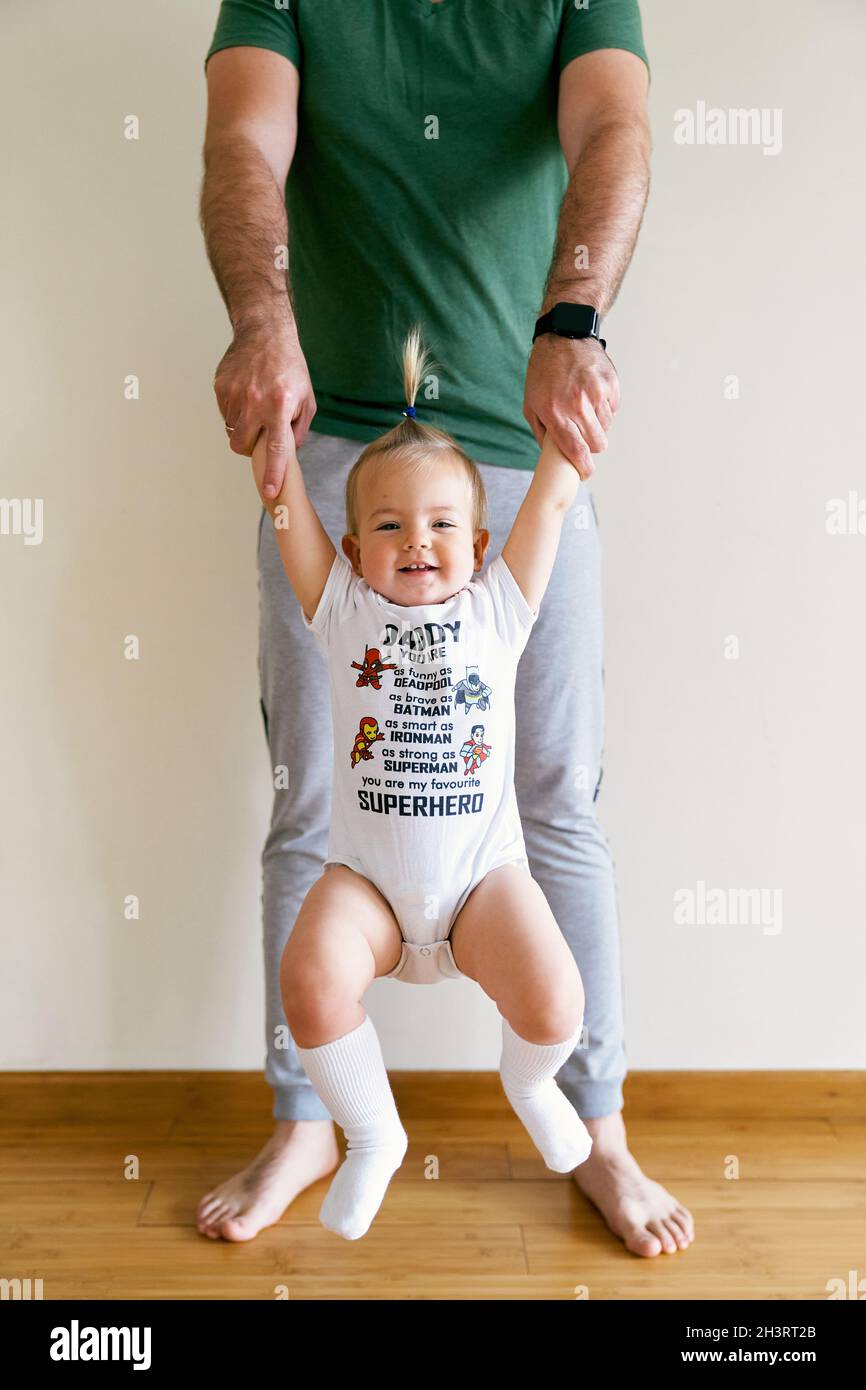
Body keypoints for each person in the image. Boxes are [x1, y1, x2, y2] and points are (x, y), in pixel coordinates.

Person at [198, 0, 696, 1257]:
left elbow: (615, 128)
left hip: (523, 428)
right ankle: (312, 1116)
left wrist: (573, 321)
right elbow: (242, 145)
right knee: (304, 794)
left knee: (559, 795)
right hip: (327, 437)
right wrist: (261, 320)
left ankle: (594, 1124)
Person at [252, 326, 594, 1240]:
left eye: (443, 524)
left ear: (478, 542)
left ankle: (527, 1083)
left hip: (484, 883)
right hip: (366, 886)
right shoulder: (341, 609)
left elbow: (553, 508)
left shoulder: (500, 609)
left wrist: (571, 426)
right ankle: (370, 1134)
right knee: (309, 980)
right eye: (391, 526)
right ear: (357, 547)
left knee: (559, 999)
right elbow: (287, 510)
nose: (418, 542)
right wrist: (271, 440)